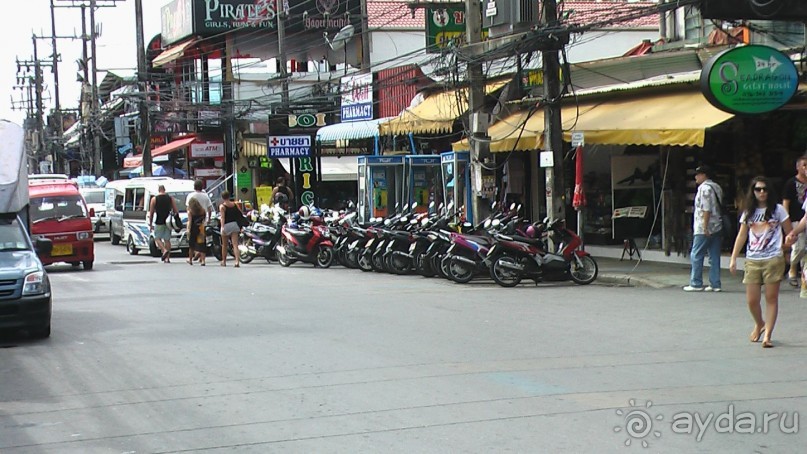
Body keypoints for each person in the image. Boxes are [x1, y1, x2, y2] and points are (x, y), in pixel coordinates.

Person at [731, 177, 792, 349]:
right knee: (752, 300)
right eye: (758, 189)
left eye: (765, 189)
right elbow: (742, 235)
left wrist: (786, 247)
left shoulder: (778, 210)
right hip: (753, 259)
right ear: (753, 192)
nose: (762, 192)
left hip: (773, 258)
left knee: (771, 298)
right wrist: (734, 257)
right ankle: (759, 323)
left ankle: (768, 335)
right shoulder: (748, 212)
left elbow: (789, 232)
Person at [684, 165, 725, 292]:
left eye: (698, 174)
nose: (696, 177)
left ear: (704, 175)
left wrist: (705, 226)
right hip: (717, 225)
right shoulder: (717, 187)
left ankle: (696, 282)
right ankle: (715, 283)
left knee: (696, 254)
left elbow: (706, 209)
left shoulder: (704, 189)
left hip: (704, 227)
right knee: (714, 255)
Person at [781, 155, 807, 286]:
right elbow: (786, 202)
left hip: (804, 217)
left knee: (805, 248)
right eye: (804, 165)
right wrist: (787, 220)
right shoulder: (791, 183)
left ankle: (803, 274)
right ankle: (792, 268)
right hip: (796, 219)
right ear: (798, 167)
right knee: (799, 246)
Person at [185, 179, 213, 266]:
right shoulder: (206, 196)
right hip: (202, 224)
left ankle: (190, 259)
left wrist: (188, 229)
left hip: (193, 224)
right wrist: (208, 219)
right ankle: (202, 259)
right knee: (202, 242)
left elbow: (187, 209)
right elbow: (209, 209)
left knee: (192, 243)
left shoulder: (190, 196)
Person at [147, 185, 178, 263]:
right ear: (164, 189)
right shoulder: (170, 198)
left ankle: (164, 250)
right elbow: (175, 210)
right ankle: (167, 258)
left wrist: (150, 224)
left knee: (157, 238)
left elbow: (151, 213)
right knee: (167, 239)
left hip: (159, 221)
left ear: (158, 190)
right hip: (168, 222)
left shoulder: (154, 199)